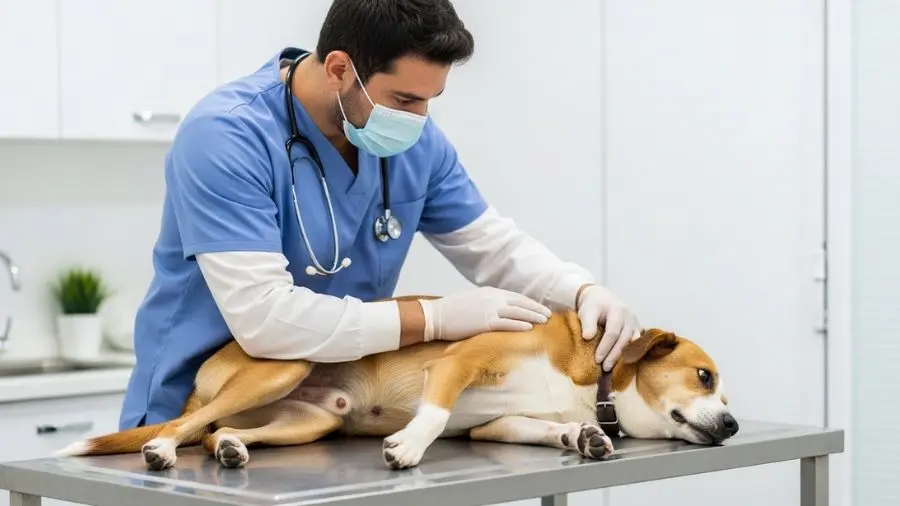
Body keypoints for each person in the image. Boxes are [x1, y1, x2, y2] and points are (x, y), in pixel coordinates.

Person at [118, 0, 641, 430]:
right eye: (405, 99)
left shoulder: (415, 143)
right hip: (200, 408)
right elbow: (264, 319)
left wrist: (579, 290)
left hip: (320, 412)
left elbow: (492, 247)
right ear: (339, 69)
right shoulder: (226, 136)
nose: (420, 119)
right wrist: (432, 319)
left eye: (431, 100)